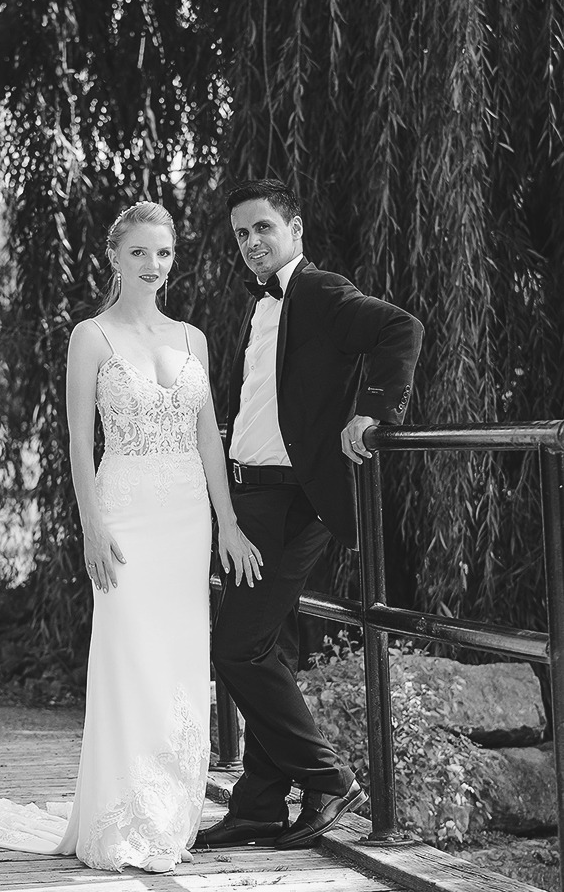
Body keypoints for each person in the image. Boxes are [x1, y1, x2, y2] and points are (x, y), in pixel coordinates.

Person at [0, 201, 261, 874]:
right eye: (138, 252)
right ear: (112, 257)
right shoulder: (91, 337)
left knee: (179, 662)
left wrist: (227, 522)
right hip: (126, 508)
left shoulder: (193, 338)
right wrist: (92, 527)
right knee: (128, 657)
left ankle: (169, 814)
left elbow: (207, 439)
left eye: (162, 253)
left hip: (187, 518)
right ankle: (122, 818)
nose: (152, 265)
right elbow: (79, 439)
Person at [195, 179, 424, 852]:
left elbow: (399, 328)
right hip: (254, 495)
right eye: (240, 234)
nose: (251, 243)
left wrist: (372, 410)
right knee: (268, 649)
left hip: (293, 501)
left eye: (262, 227)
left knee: (236, 649)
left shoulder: (317, 290)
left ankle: (327, 780)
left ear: (294, 229)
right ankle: (260, 803)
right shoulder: (265, 305)